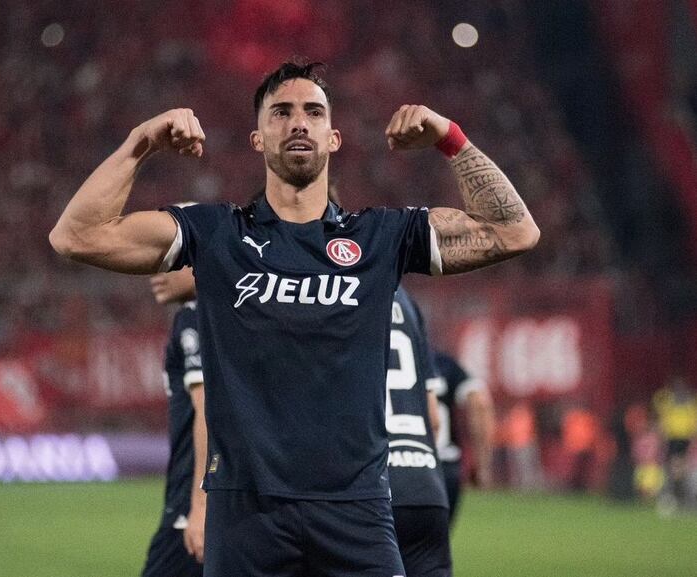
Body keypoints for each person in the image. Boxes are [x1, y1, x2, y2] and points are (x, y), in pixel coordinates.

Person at [49, 59, 539, 576]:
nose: (298, 122)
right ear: (257, 138)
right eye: (281, 112)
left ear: (334, 138)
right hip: (245, 517)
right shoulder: (216, 235)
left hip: (359, 513)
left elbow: (515, 232)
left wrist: (450, 138)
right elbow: (75, 236)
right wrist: (140, 143)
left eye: (313, 112)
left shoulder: (381, 237)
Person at [140, 265, 206, 577]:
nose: (156, 273)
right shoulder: (239, 316)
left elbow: (208, 411)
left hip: (192, 507)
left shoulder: (195, 317)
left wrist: (199, 507)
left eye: (169, 263)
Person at [388, 287, 451, 576]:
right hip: (424, 483)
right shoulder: (406, 301)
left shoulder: (329, 292)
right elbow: (433, 418)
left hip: (366, 488)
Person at [431, 350, 495, 525]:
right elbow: (480, 403)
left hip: (401, 465)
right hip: (447, 468)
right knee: (434, 547)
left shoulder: (383, 359)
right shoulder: (443, 363)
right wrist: (482, 464)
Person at [652, 375, 697, 510]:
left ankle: (680, 494)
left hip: (683, 439)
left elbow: (693, 421)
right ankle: (673, 494)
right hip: (673, 438)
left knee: (680, 467)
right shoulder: (670, 400)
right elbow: (658, 403)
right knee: (673, 467)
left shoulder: (689, 402)